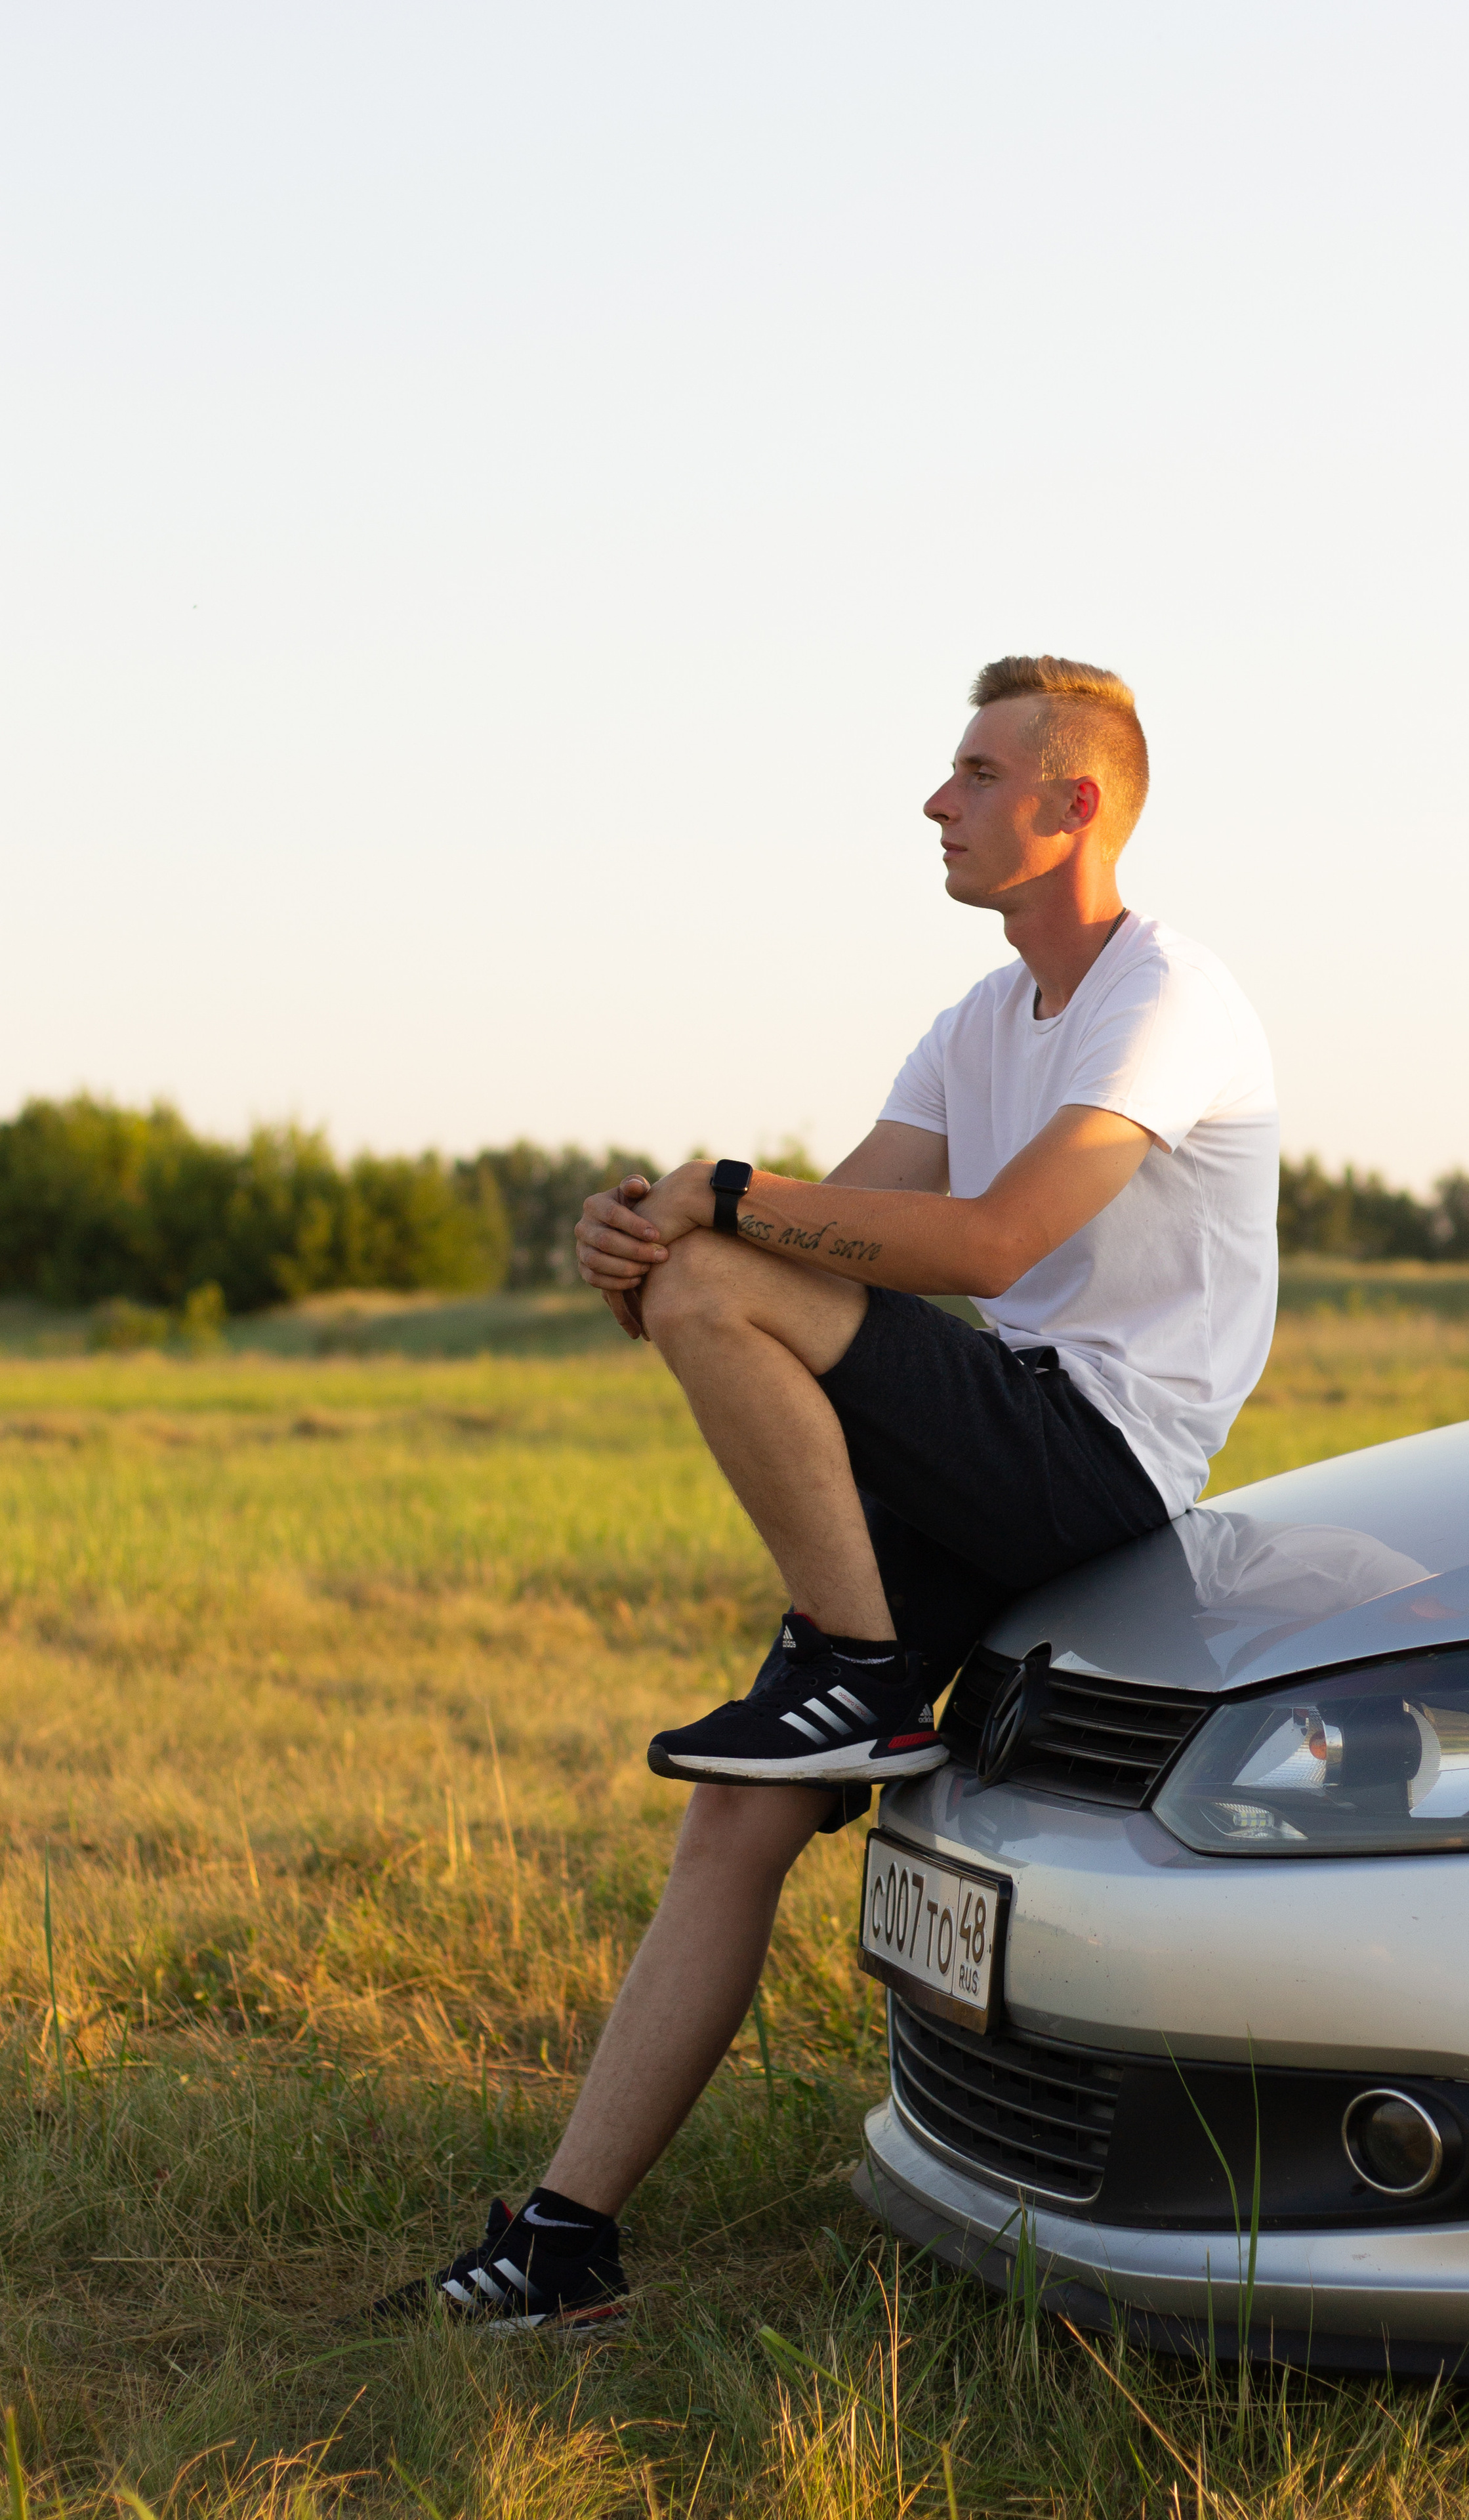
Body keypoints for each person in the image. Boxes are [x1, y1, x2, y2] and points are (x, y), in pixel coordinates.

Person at [373, 654, 1279, 2332]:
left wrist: (720, 1206)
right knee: (735, 1812)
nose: (936, 801)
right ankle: (564, 2245)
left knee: (720, 1269)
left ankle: (851, 1669)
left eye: (975, 773)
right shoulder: (972, 1023)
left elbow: (991, 1243)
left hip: (1098, 1454)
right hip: (996, 1443)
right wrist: (649, 1247)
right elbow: (819, 1243)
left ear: (1073, 802)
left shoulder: (1167, 992)